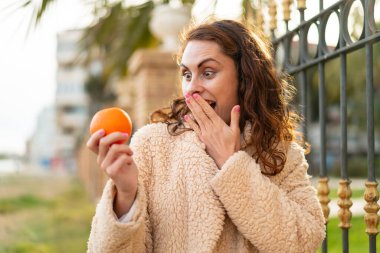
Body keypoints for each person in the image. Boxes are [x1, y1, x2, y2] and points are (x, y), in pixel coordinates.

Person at [86, 19, 325, 253]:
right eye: (187, 75)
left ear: (245, 79)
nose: (192, 88)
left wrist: (231, 165)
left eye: (208, 72)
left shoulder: (281, 152)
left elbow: (305, 241)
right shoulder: (152, 145)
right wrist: (125, 196)